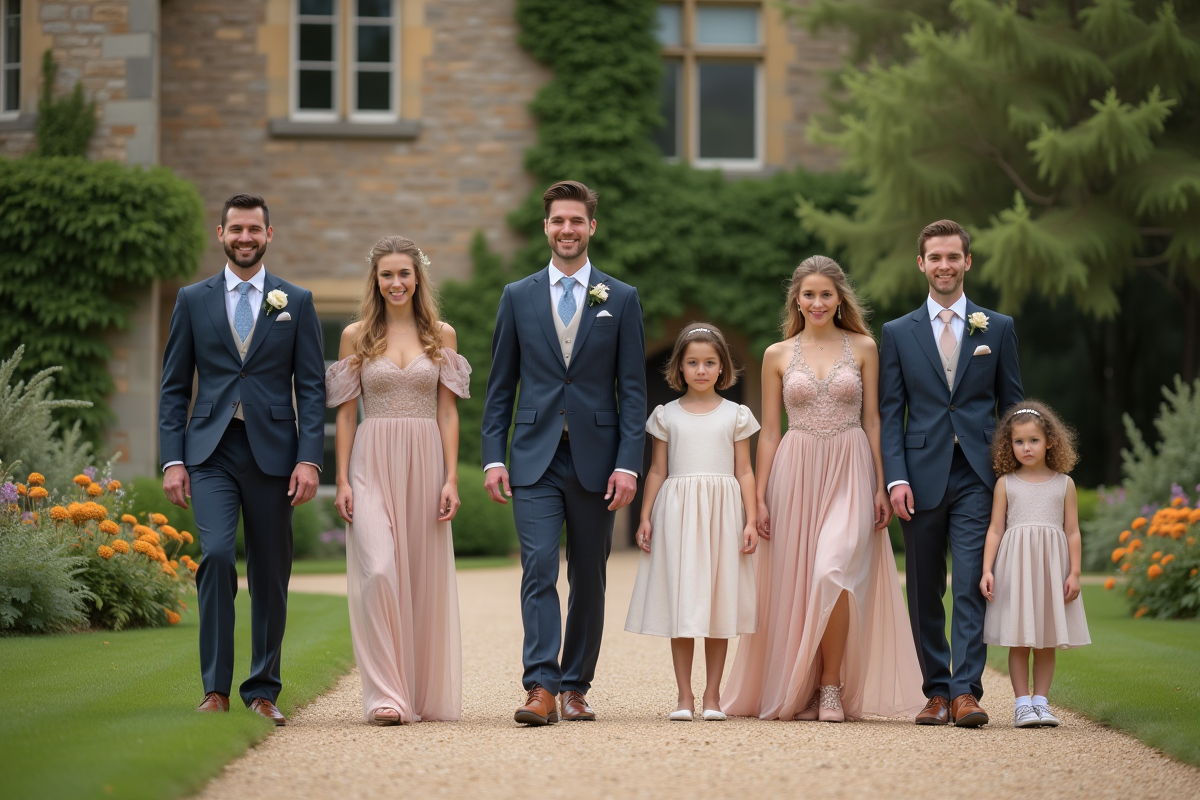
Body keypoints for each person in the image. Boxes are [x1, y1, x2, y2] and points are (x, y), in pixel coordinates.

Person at [722, 256, 924, 722]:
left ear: (839, 299)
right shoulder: (777, 354)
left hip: (851, 467)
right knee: (796, 580)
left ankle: (831, 685)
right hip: (795, 470)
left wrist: (880, 482)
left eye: (825, 294)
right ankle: (806, 684)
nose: (817, 302)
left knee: (833, 571)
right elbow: (769, 432)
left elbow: (874, 419)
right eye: (808, 294)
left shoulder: (865, 347)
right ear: (797, 298)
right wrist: (760, 498)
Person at [481, 180, 647, 726]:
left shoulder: (620, 298)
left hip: (598, 461)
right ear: (546, 226)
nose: (567, 230)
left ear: (591, 227)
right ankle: (541, 687)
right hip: (533, 456)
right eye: (558, 221)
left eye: (577, 221)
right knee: (537, 567)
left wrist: (628, 462)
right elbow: (501, 384)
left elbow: (632, 391)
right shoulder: (517, 295)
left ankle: (577, 684)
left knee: (591, 578)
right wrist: (493, 455)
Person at [159, 193, 325, 725]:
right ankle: (215, 689)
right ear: (221, 233)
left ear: (269, 235)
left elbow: (313, 389)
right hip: (209, 452)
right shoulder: (192, 299)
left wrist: (310, 460)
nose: (245, 237)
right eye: (236, 229)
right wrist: (172, 459)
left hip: (275, 456)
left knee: (272, 571)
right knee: (214, 557)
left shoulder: (295, 302)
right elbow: (173, 389)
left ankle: (262, 690)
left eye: (255, 229)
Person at [879, 219, 1024, 727]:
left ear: (967, 262)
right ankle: (935, 690)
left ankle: (966, 692)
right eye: (935, 258)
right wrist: (894, 478)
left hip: (980, 477)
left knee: (969, 582)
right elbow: (889, 412)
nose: (944, 266)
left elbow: (1014, 408)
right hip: (918, 477)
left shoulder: (997, 327)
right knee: (922, 586)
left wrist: (1017, 478)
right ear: (921, 264)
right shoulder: (897, 333)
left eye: (953, 257)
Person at [325, 236, 469, 725]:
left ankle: (417, 693)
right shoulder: (355, 336)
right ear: (376, 280)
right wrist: (341, 478)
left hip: (426, 460)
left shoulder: (441, 336)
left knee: (421, 580)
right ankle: (385, 694)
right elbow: (346, 416)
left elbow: (449, 414)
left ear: (417, 278)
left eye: (404, 273)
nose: (396, 283)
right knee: (380, 571)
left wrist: (451, 477)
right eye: (386, 274)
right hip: (371, 462)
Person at [625, 323, 760, 722]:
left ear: (722, 368)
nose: (701, 370)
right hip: (679, 514)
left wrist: (751, 520)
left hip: (722, 514)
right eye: (693, 362)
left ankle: (713, 695)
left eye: (710, 362)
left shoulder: (737, 415)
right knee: (683, 603)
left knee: (718, 604)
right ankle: (684, 696)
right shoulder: (665, 415)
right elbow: (656, 471)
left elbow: (746, 472)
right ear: (679, 368)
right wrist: (645, 516)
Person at [980, 401, 1089, 728]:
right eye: (1018, 442)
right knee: (1020, 637)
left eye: (1034, 441)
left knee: (1045, 638)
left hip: (1050, 570)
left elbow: (1072, 531)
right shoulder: (1006, 483)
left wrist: (1074, 572)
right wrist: (987, 570)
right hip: (1016, 569)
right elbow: (996, 529)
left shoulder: (1064, 484)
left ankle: (1041, 701)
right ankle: (1022, 704)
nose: (1026, 448)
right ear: (1008, 445)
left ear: (1050, 441)